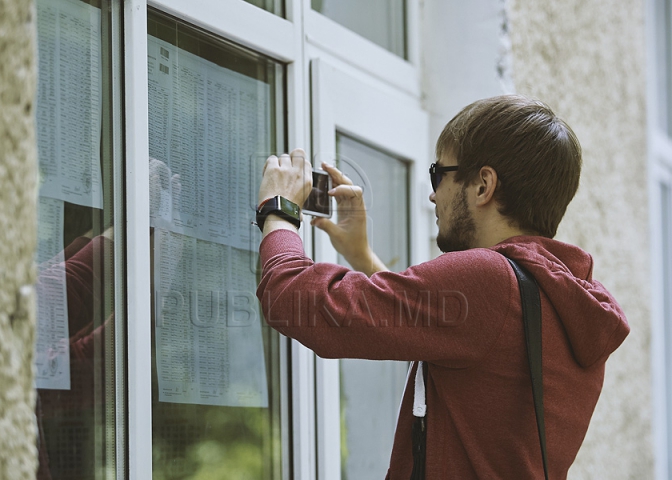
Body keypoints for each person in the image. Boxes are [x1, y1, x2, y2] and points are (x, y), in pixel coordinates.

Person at [254, 95, 629, 479]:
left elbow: (294, 298)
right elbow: (453, 338)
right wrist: (363, 257)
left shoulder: (490, 281)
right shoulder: (562, 296)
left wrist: (279, 207)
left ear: (483, 185)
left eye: (439, 174)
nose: (433, 194)